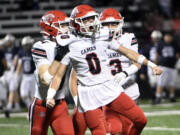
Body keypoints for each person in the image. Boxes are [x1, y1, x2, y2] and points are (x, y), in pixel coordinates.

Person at [47, 5, 162, 135]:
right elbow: (58, 75)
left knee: (141, 120)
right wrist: (50, 96)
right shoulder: (68, 45)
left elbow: (129, 53)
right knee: (100, 131)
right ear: (76, 23)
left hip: (109, 86)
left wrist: (152, 65)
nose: (92, 22)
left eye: (92, 19)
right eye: (87, 20)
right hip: (88, 92)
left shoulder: (102, 36)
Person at [71, 8, 142, 135]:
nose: (110, 28)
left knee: (128, 128)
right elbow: (74, 76)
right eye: (106, 24)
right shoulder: (92, 41)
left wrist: (125, 73)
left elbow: (136, 62)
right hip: (104, 90)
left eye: (114, 23)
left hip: (126, 89)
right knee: (111, 129)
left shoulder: (128, 38)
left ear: (120, 23)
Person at [29, 10, 74, 135]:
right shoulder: (41, 46)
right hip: (41, 104)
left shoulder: (70, 45)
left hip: (60, 104)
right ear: (50, 28)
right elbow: (46, 79)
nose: (67, 29)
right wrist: (59, 56)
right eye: (63, 25)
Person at [155, 33, 180, 104]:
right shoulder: (161, 44)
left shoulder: (175, 44)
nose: (168, 38)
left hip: (172, 66)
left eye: (169, 36)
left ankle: (172, 96)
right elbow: (157, 54)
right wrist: (155, 65)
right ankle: (158, 97)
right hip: (163, 66)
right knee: (161, 82)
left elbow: (178, 54)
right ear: (164, 37)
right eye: (167, 36)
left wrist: (175, 61)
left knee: (172, 83)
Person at [139, 30, 163, 103]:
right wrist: (142, 71)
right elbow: (143, 59)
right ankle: (154, 97)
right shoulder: (147, 46)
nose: (156, 39)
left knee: (161, 82)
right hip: (151, 66)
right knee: (153, 82)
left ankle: (159, 96)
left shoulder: (163, 45)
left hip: (161, 65)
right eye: (155, 38)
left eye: (158, 38)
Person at [2, 34, 21, 112]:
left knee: (12, 88)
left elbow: (16, 61)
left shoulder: (16, 49)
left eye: (9, 41)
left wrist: (14, 70)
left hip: (13, 71)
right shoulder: (4, 50)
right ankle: (17, 105)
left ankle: (10, 105)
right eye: (7, 41)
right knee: (13, 89)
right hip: (6, 71)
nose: (8, 43)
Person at [16, 36, 36, 109]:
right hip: (25, 76)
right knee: (23, 94)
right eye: (25, 45)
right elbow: (19, 64)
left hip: (33, 76)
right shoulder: (22, 52)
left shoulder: (34, 52)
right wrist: (17, 76)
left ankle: (33, 110)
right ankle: (30, 107)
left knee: (33, 95)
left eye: (27, 44)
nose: (26, 46)